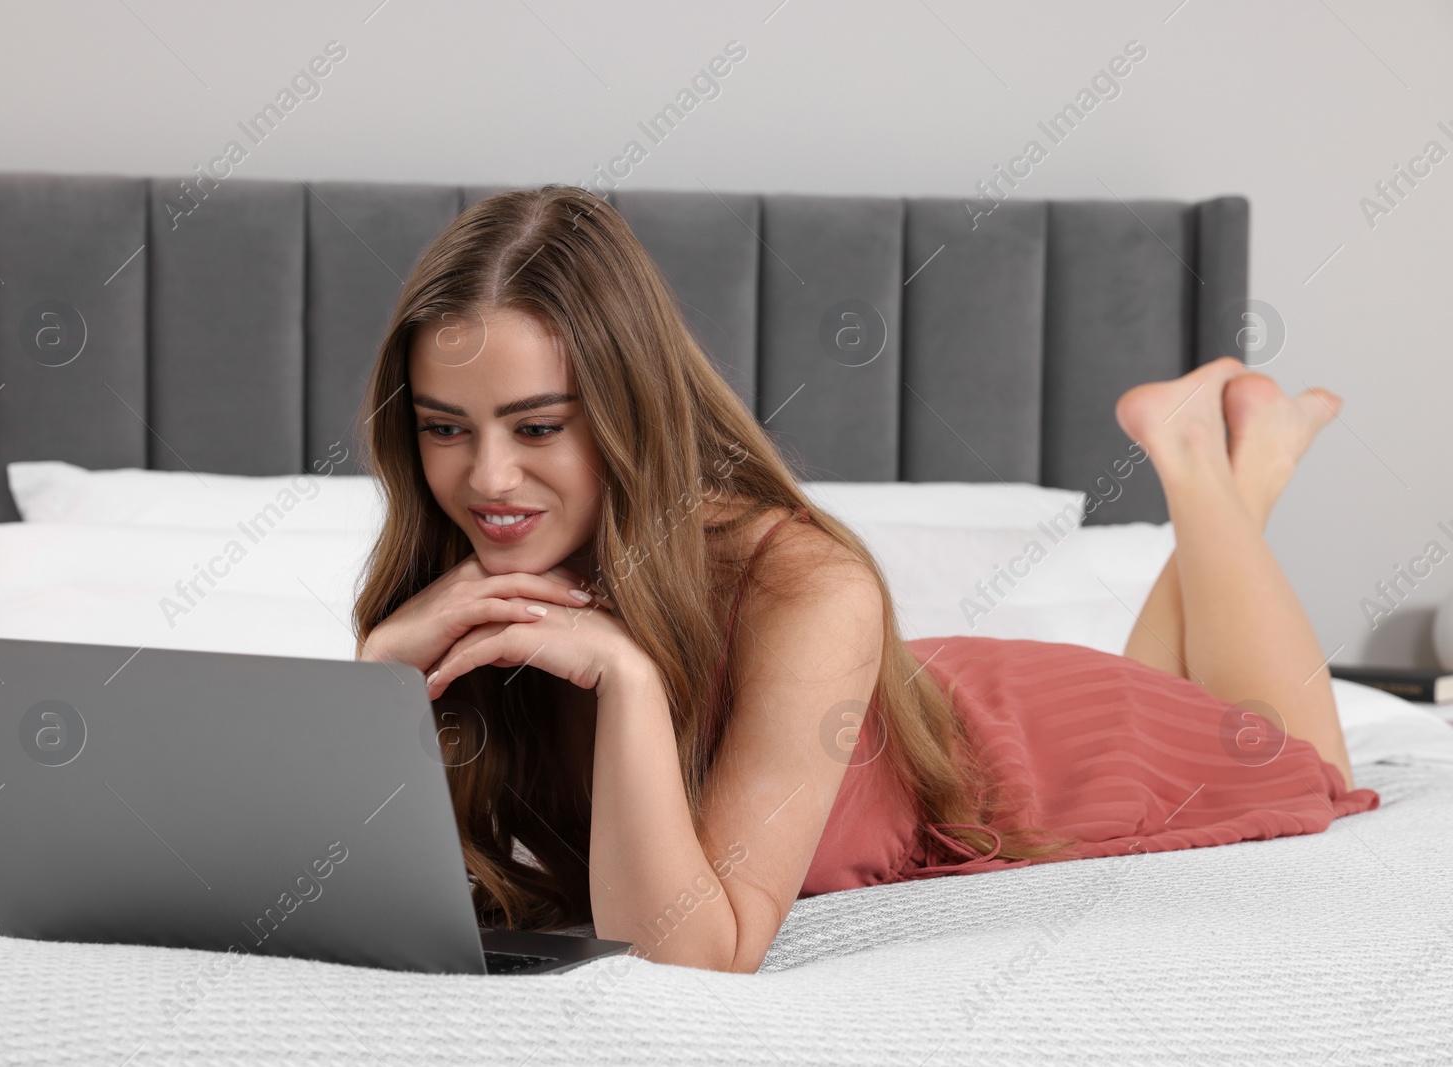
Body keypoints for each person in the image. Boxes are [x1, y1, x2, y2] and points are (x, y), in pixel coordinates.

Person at [353, 185, 1378, 974]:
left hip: (1021, 756)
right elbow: (356, 896)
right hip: (883, 705)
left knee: (1297, 754)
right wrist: (373, 684)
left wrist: (623, 678)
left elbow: (696, 953)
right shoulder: (459, 591)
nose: (486, 478)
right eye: (445, 427)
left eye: (537, 426)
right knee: (1181, 689)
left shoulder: (806, 581)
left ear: (631, 412)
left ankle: (1202, 466)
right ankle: (1227, 459)